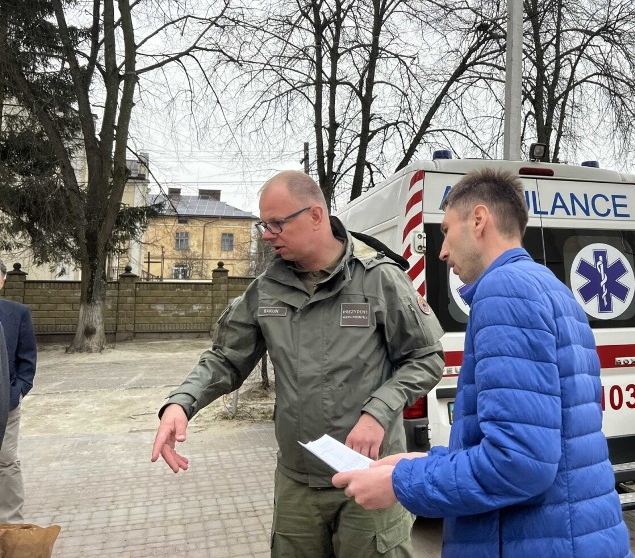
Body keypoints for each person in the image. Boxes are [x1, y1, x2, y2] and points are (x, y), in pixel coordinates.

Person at [333, 169, 632, 558]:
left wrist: (402, 482)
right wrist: (425, 460)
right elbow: (536, 440)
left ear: (478, 220)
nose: (441, 252)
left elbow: (519, 464)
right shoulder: (550, 287)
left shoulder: (503, 291)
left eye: (445, 231)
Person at [151, 171, 444, 558]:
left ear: (316, 216)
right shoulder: (266, 290)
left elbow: (425, 358)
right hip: (298, 487)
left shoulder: (379, 280)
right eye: (264, 224)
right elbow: (225, 359)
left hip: (369, 479)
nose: (267, 234)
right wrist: (180, 403)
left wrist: (378, 411)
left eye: (277, 223)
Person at [0, 259, 38, 523]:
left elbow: (27, 360)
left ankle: (11, 525)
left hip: (5, 404)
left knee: (6, 461)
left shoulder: (17, 313)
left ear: (2, 279)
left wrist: (17, 393)